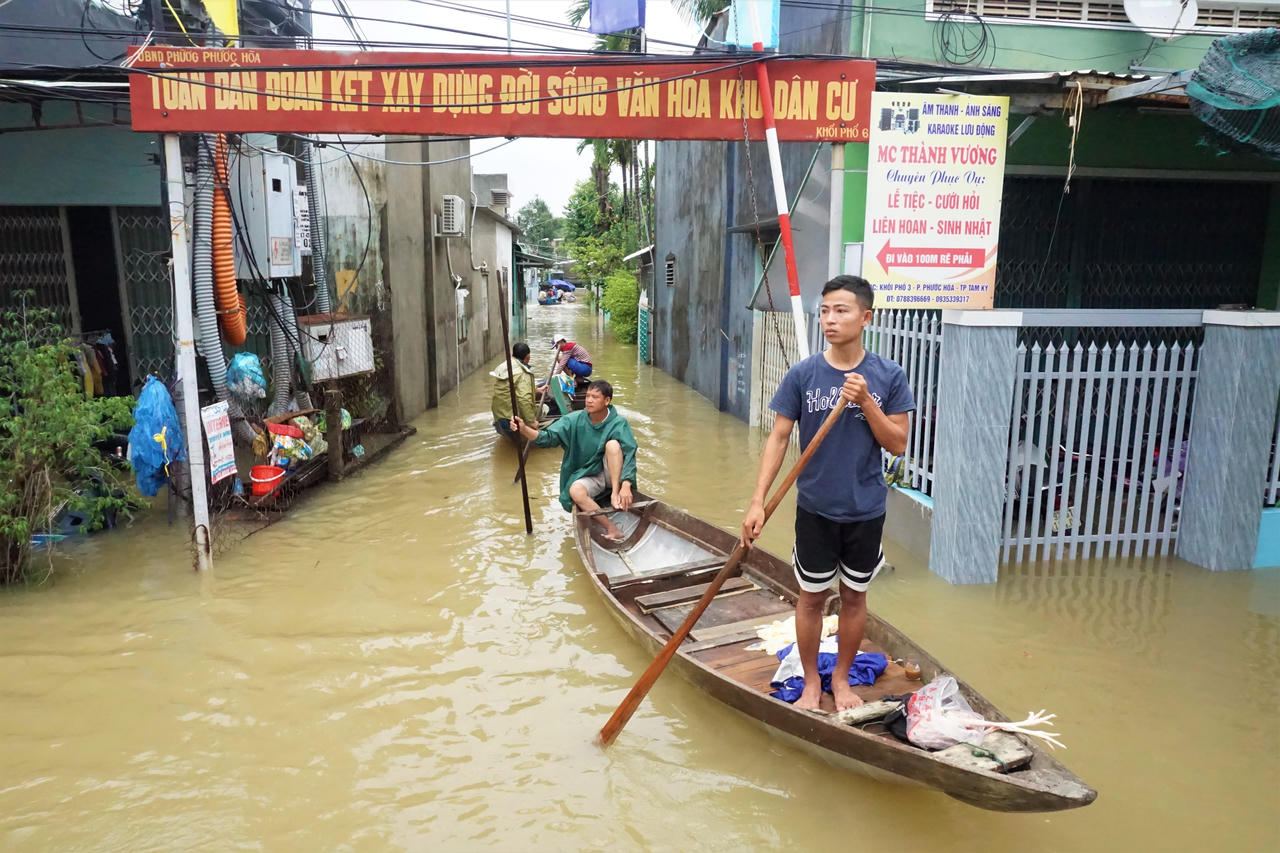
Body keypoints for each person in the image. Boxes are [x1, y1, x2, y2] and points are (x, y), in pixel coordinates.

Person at [741, 275, 914, 712]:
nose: (830, 319)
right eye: (825, 311)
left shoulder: (888, 375)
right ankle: (812, 683)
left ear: (866, 317)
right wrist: (758, 500)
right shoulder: (803, 375)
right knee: (811, 597)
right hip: (815, 507)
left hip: (865, 509)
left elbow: (897, 444)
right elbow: (778, 438)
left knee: (855, 596)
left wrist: (866, 402)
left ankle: (840, 680)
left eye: (841, 310)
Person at [510, 380, 637, 541]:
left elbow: (630, 452)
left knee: (613, 445)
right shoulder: (574, 420)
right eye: (588, 396)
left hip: (612, 474)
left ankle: (613, 494)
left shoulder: (618, 423)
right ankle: (611, 528)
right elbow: (548, 438)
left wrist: (626, 486)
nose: (589, 400)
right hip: (590, 473)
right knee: (575, 491)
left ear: (607, 401)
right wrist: (524, 429)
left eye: (595, 397)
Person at [490, 342, 540, 439]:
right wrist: (531, 422)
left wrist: (536, 389)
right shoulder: (523, 373)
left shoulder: (506, 365)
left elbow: (511, 386)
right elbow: (524, 399)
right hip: (512, 422)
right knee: (546, 408)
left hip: (498, 418)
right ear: (528, 357)